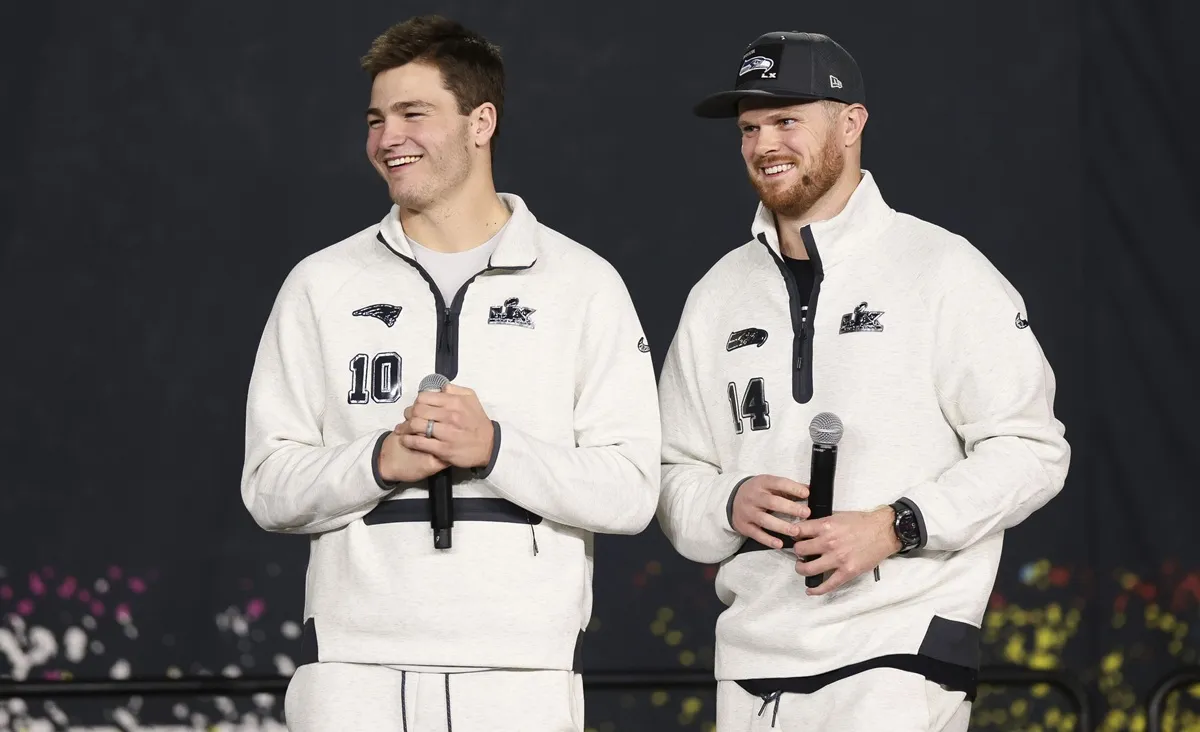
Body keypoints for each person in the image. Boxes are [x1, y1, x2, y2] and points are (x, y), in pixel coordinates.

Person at [239, 15, 661, 732]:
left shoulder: (583, 284)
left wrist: (495, 449)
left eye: (413, 114)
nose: (387, 138)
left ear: (480, 122)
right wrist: (379, 459)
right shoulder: (320, 283)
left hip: (522, 678)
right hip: (350, 676)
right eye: (376, 119)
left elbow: (631, 491)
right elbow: (268, 487)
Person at [656, 31, 1070, 732]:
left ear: (852, 123)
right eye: (750, 128)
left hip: (898, 655)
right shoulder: (718, 294)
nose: (763, 145)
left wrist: (896, 526)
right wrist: (728, 501)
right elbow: (669, 473)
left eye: (787, 120)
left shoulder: (941, 268)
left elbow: (1033, 449)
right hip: (753, 665)